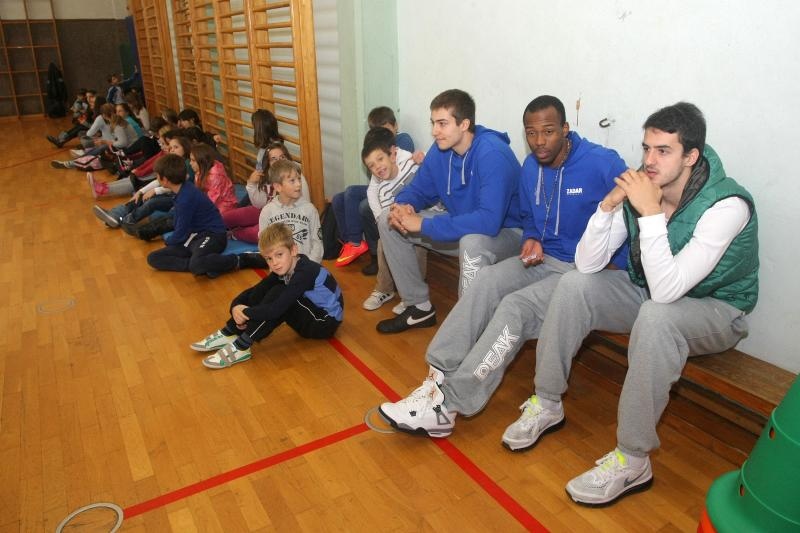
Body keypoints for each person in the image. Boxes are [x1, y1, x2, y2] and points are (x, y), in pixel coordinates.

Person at [502, 102, 757, 506]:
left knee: (657, 317)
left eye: (663, 151)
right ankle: (546, 402)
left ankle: (633, 458)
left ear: (690, 156)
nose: (649, 161)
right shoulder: (642, 189)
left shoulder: (727, 206)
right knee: (573, 284)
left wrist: (650, 213)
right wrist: (607, 208)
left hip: (716, 309)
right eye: (646, 149)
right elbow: (586, 264)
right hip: (652, 290)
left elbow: (669, 291)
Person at [378, 94, 627, 437]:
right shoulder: (531, 167)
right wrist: (531, 235)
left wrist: (620, 262)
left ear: (566, 130)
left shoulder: (602, 163)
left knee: (514, 309)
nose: (539, 141)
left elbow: (634, 209)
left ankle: (447, 405)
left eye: (549, 131)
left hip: (581, 271)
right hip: (543, 257)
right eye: (532, 133)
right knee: (487, 282)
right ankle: (436, 377)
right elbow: (529, 214)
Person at [376, 89, 522, 334]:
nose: (435, 131)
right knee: (386, 220)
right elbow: (420, 189)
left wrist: (423, 224)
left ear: (464, 124)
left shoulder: (492, 154)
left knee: (473, 241)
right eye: (433, 123)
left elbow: (489, 221)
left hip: (509, 236)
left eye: (442, 124)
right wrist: (404, 204)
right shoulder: (440, 150)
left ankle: (468, 329)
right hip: (463, 227)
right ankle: (419, 308)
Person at [190, 222, 343, 369]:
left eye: (279, 255)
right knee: (269, 288)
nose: (275, 263)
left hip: (324, 323)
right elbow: (256, 291)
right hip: (311, 311)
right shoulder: (287, 266)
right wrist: (235, 306)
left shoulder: (305, 272)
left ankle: (242, 346)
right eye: (269, 259)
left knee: (279, 294)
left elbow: (275, 310)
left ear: (294, 250)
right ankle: (230, 331)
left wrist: (245, 312)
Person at [331, 106, 424, 272]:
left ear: (395, 126)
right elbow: (373, 187)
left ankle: (365, 248)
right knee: (339, 198)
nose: (383, 135)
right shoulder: (376, 153)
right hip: (384, 185)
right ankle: (352, 243)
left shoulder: (402, 141)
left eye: (386, 129)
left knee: (362, 205)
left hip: (396, 186)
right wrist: (379, 215)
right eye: (378, 131)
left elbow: (405, 168)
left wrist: (420, 159)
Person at [196, 158, 323, 277]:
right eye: (292, 181)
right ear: (278, 187)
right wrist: (275, 266)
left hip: (307, 271)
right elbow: (264, 245)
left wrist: (309, 267)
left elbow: (317, 243)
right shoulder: (268, 211)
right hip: (279, 273)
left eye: (299, 179)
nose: (299, 185)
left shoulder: (310, 210)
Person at [359, 126, 427, 313]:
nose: (377, 167)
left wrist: (423, 158)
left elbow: (433, 163)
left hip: (430, 215)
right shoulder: (383, 190)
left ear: (393, 155)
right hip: (408, 221)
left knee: (417, 239)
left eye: (380, 159)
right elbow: (384, 208)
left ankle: (412, 295)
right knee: (386, 239)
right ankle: (385, 289)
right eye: (371, 166)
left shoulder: (410, 162)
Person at [146, 154, 227, 274]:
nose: (156, 178)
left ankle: (238, 260)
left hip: (213, 236)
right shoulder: (182, 189)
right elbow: (179, 224)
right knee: (153, 258)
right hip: (194, 237)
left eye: (157, 175)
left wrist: (170, 242)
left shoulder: (186, 197)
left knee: (196, 264)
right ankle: (202, 264)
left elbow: (181, 231)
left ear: (165, 180)